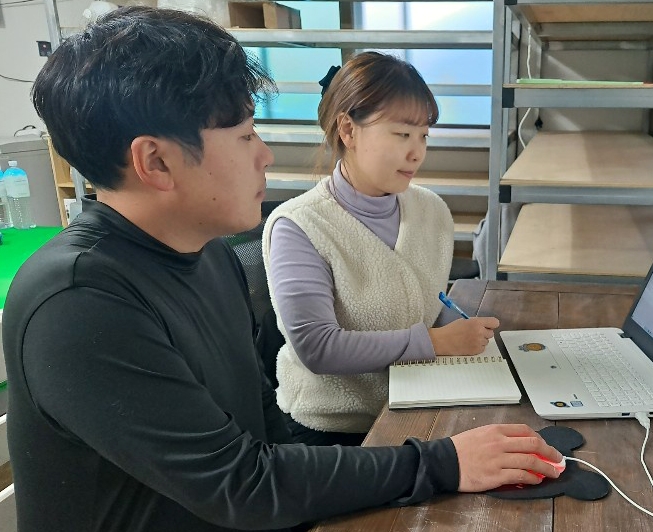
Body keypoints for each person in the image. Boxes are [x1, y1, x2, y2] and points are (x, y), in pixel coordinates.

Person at [2, 7, 562, 532]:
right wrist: (444, 462)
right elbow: (242, 484)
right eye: (245, 135)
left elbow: (264, 428)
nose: (265, 155)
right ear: (156, 161)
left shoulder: (210, 256)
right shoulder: (78, 301)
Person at [263, 52, 500, 446]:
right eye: (402, 134)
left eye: (423, 136)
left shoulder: (431, 211)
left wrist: (460, 332)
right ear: (348, 130)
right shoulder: (299, 226)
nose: (417, 152)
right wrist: (438, 342)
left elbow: (424, 304)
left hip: (418, 403)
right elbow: (317, 347)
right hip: (334, 431)